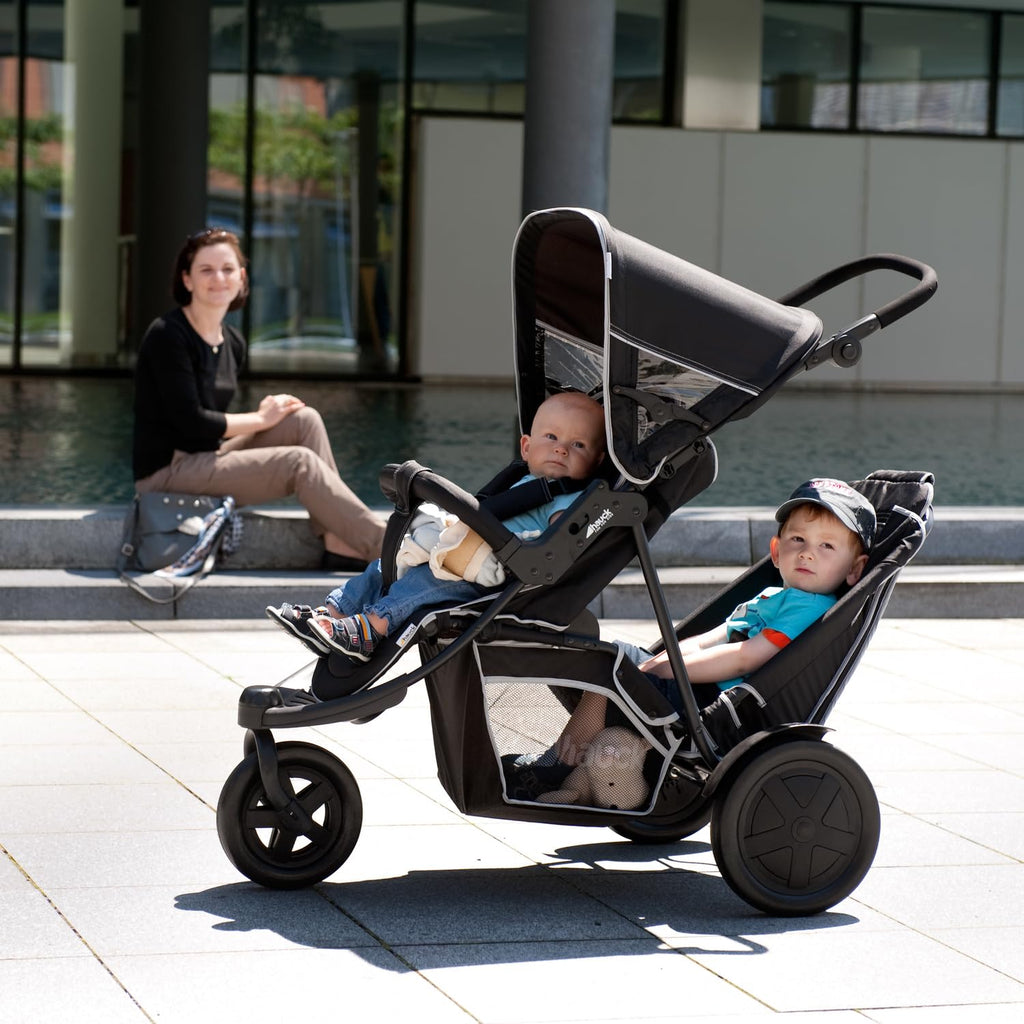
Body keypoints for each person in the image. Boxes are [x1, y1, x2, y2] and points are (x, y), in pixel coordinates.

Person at [509, 477, 876, 795]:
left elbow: (745, 657)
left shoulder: (810, 607)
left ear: (854, 570)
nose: (808, 553)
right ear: (776, 552)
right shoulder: (772, 596)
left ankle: (560, 763)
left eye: (827, 546)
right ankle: (576, 770)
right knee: (610, 659)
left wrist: (672, 671)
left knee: (608, 665)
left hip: (708, 704)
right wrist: (663, 660)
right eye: (798, 539)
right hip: (696, 686)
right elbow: (709, 638)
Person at [268, 390, 607, 661]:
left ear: (596, 461)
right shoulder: (520, 480)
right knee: (384, 568)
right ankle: (332, 614)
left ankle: (370, 629)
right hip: (459, 552)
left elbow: (564, 540)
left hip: (486, 574)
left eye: (578, 445)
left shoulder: (567, 498)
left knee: (424, 584)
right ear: (526, 447)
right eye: (552, 436)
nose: (561, 449)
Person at [131, 227, 385, 571]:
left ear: (241, 278)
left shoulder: (232, 342)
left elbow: (208, 433)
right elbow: (190, 422)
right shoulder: (167, 335)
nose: (219, 278)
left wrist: (271, 418)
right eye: (206, 270)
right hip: (167, 472)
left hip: (207, 458)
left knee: (303, 420)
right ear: (187, 279)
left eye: (228, 269)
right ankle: (387, 547)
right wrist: (262, 419)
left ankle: (339, 540)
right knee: (298, 463)